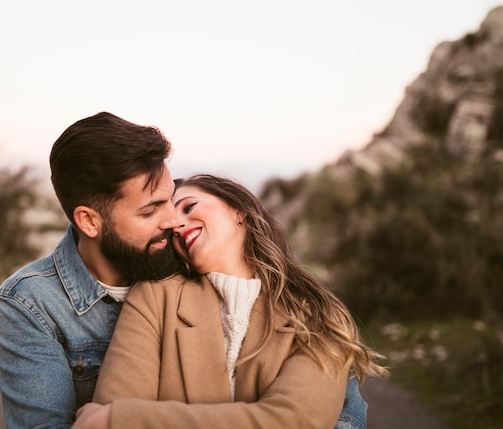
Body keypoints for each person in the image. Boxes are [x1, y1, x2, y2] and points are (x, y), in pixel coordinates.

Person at [75, 174, 388, 429]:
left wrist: (122, 419)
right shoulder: (155, 298)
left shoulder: (318, 314)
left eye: (188, 206)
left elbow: (293, 421)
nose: (178, 225)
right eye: (171, 223)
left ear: (238, 209)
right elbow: (109, 405)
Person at [0, 112, 181, 428]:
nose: (174, 220)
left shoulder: (187, 259)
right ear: (90, 221)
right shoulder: (30, 302)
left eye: (172, 199)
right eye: (150, 211)